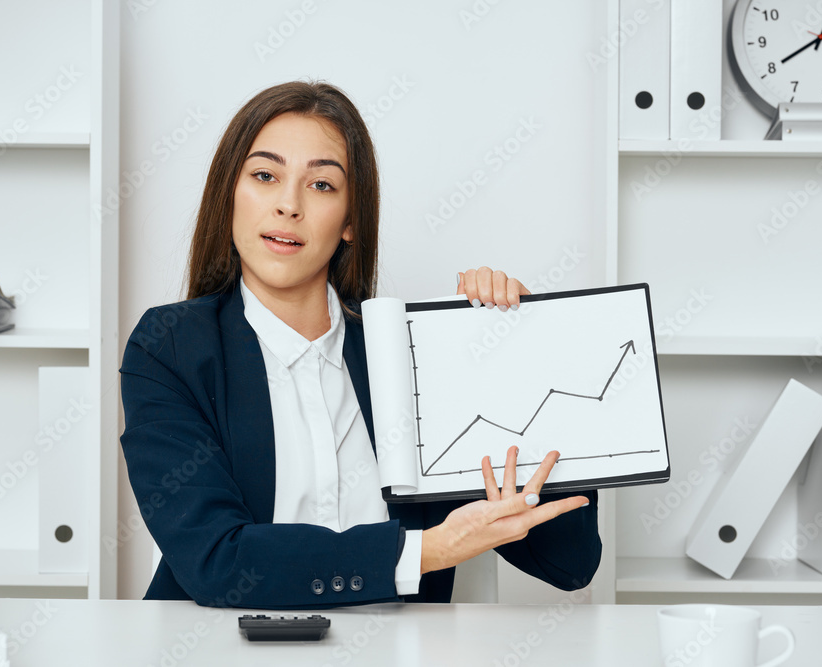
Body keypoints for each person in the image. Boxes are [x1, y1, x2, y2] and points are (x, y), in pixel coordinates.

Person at [119, 80, 600, 609]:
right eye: (264, 175)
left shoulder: (414, 356)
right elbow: (216, 560)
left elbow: (569, 562)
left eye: (321, 185)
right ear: (229, 195)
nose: (288, 205)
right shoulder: (170, 348)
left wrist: (525, 355)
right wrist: (427, 551)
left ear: (351, 220)